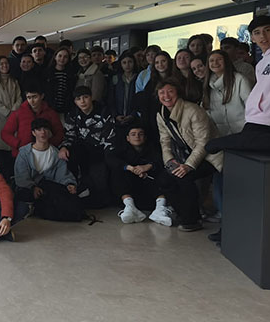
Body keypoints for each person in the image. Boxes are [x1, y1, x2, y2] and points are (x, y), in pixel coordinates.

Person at [156, 79, 223, 232]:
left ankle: (192, 220)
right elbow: (164, 141)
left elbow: (203, 143)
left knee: (184, 177)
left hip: (209, 156)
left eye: (170, 91)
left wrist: (188, 165)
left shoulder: (193, 110)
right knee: (164, 178)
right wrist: (170, 162)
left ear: (178, 93)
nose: (166, 96)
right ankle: (183, 213)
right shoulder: (161, 114)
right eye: (162, 93)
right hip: (183, 156)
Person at [202, 49, 252, 241]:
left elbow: (251, 107)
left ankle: (238, 228)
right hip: (221, 141)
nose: (214, 63)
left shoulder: (240, 80)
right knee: (220, 185)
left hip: (241, 139)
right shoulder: (208, 85)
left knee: (240, 186)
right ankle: (227, 226)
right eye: (211, 60)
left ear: (226, 62)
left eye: (218, 60)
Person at [13, 118, 81, 221]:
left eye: (45, 129)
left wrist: (69, 184)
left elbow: (62, 174)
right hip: (28, 189)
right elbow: (21, 176)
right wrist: (32, 187)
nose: (43, 132)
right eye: (39, 129)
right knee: (23, 195)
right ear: (33, 133)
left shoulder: (55, 153)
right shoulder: (24, 153)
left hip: (47, 188)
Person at [59, 86, 116, 208]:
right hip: (82, 148)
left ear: (91, 98)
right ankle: (73, 191)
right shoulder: (73, 114)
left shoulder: (103, 111)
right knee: (69, 155)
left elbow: (109, 136)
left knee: (100, 182)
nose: (82, 101)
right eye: (79, 99)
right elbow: (69, 135)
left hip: (101, 149)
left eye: (85, 97)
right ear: (75, 101)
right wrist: (64, 147)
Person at [106, 124, 173, 226]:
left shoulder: (153, 148)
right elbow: (111, 160)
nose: (137, 137)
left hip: (150, 192)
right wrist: (130, 168)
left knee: (163, 175)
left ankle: (160, 209)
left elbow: (161, 161)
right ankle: (129, 208)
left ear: (145, 137)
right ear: (128, 138)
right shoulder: (121, 150)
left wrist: (148, 166)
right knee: (117, 172)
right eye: (133, 134)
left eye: (140, 134)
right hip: (131, 192)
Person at [1, 81, 64, 158]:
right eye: (29, 97)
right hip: (22, 155)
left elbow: (60, 133)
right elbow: (5, 133)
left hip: (45, 155)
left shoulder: (50, 113)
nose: (32, 101)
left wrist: (48, 144)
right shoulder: (18, 113)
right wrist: (18, 144)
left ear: (42, 96)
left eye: (35, 97)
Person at [0, 55, 23, 178]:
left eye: (6, 63)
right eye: (1, 64)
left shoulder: (14, 81)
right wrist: (7, 112)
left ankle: (10, 177)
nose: (4, 66)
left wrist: (13, 110)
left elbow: (19, 98)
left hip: (13, 118)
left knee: (10, 149)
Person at [107, 52, 138, 129]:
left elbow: (141, 99)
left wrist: (133, 115)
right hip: (118, 117)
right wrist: (115, 115)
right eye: (124, 62)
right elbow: (111, 99)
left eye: (130, 62)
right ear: (120, 64)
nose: (127, 65)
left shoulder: (138, 78)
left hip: (135, 117)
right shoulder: (115, 78)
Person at [45, 47, 76, 116]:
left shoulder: (71, 74)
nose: (62, 59)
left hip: (66, 109)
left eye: (65, 57)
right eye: (60, 56)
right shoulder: (47, 73)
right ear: (55, 57)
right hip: (50, 108)